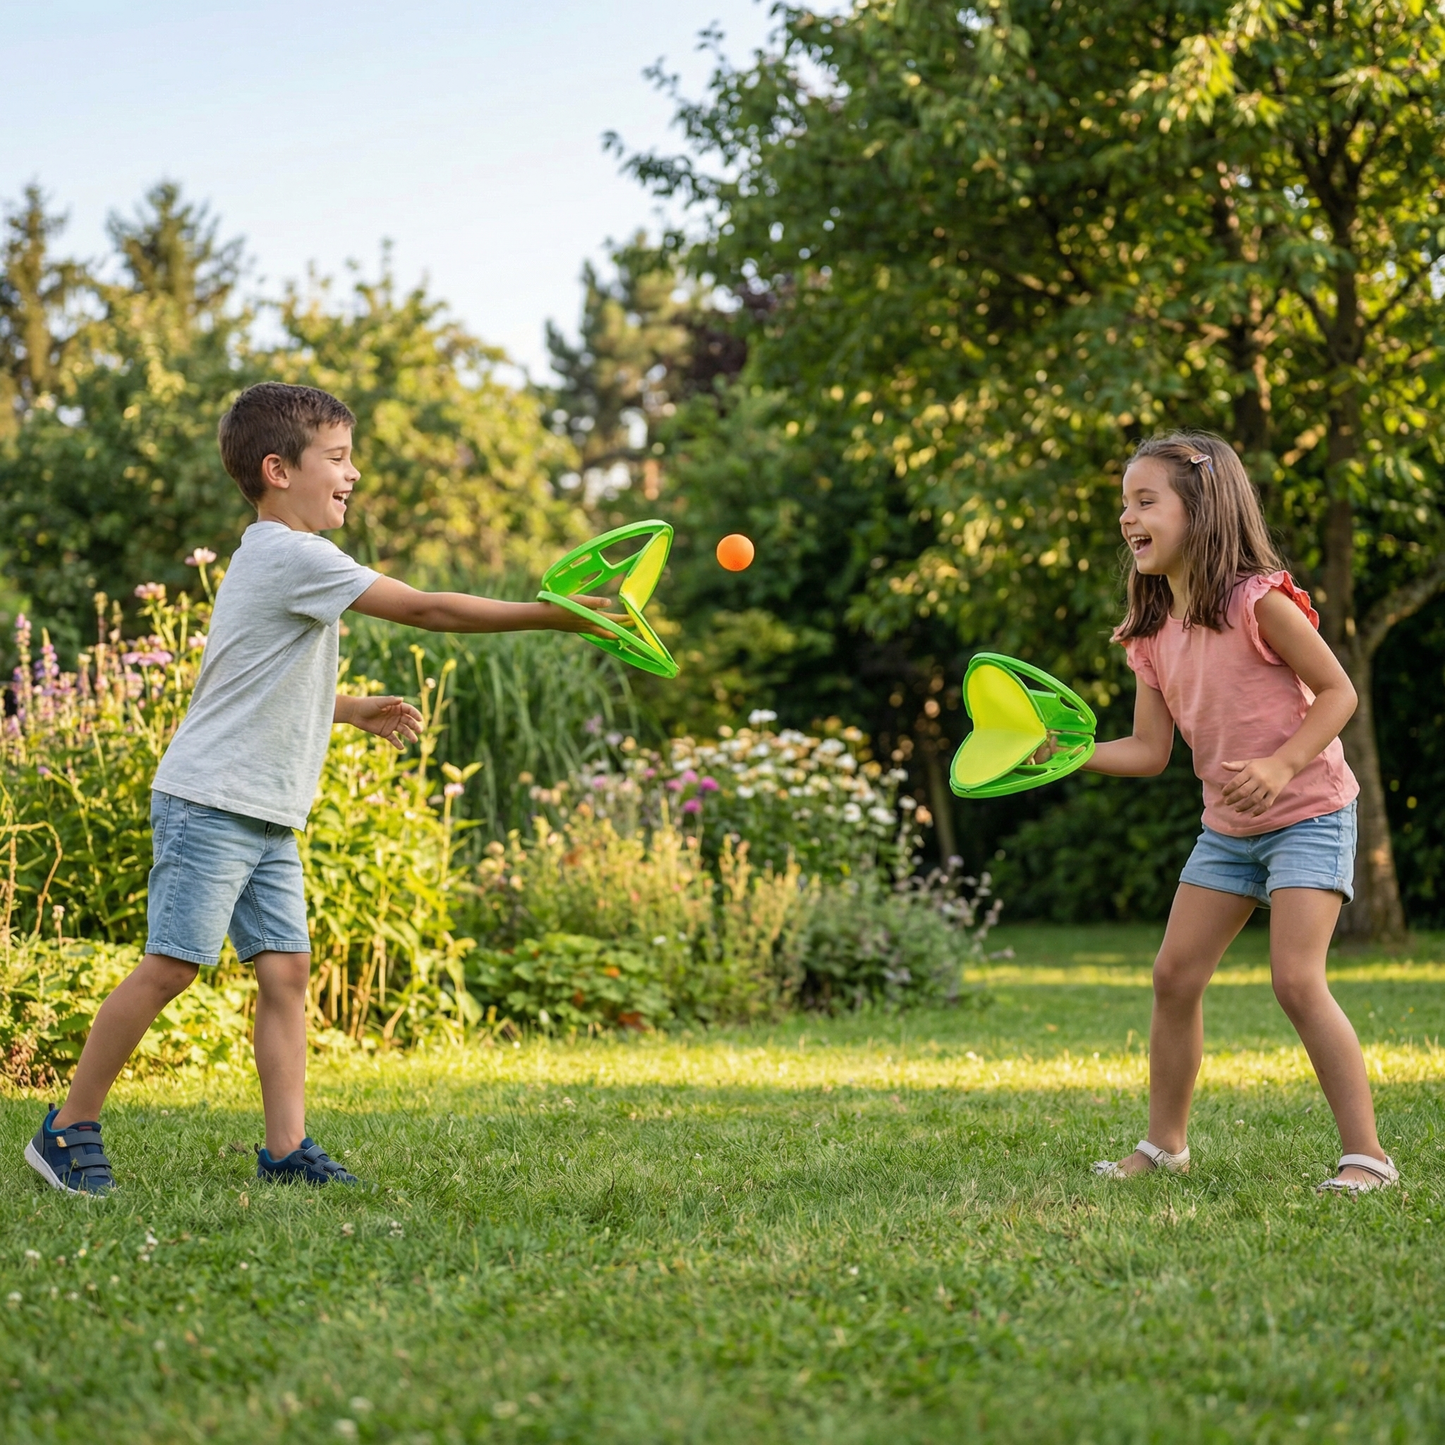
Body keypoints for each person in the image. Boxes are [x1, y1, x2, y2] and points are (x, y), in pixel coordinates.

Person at [25, 382, 612, 1195]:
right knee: (170, 967)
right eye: (336, 458)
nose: (353, 474)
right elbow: (429, 608)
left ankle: (285, 1147)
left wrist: (345, 708)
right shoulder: (293, 554)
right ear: (277, 469)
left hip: (263, 809)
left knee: (286, 971)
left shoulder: (269, 559)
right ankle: (66, 1126)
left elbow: (243, 681)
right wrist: (555, 614)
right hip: (213, 803)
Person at [1085, 431, 1394, 1194]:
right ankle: (1163, 1145)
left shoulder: (1258, 600)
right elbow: (1149, 750)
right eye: (1123, 504)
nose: (1127, 518)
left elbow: (1338, 693)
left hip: (1309, 812)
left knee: (1294, 979)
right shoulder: (1151, 630)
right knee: (1173, 975)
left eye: (1144, 500)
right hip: (1226, 830)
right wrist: (1063, 755)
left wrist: (1283, 761)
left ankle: (1367, 1158)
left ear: (1199, 505)